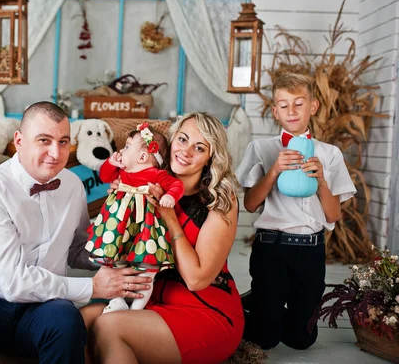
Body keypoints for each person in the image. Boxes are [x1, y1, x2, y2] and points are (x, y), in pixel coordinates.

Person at [0, 102, 153, 364]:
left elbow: (77, 250)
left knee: (66, 321)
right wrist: (92, 286)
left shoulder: (72, 185)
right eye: (44, 140)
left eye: (63, 141)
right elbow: (14, 283)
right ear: (19, 141)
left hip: (43, 307)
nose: (55, 152)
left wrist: (119, 252)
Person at [83, 112, 244, 364]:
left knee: (108, 326)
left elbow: (196, 279)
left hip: (204, 309)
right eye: (182, 139)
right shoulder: (150, 179)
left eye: (199, 147)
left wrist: (169, 217)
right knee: (80, 321)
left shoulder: (220, 201)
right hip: (149, 298)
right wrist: (124, 199)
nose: (186, 151)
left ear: (210, 157)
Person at [236, 72, 356, 350]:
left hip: (311, 251)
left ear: (312, 107)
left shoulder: (330, 154)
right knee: (265, 340)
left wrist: (322, 181)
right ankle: (255, 306)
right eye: (284, 104)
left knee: (302, 339)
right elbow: (251, 204)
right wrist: (274, 170)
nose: (291, 111)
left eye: (299, 103)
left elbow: (333, 216)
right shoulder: (262, 148)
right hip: (271, 246)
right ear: (275, 111)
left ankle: (265, 302)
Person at [86, 122, 184, 314]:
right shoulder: (122, 172)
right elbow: (105, 176)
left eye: (127, 146)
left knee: (147, 270)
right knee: (115, 264)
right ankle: (117, 300)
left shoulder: (156, 174)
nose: (121, 150)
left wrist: (169, 196)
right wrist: (110, 163)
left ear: (142, 156)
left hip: (144, 229)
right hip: (119, 229)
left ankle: (137, 309)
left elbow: (176, 185)